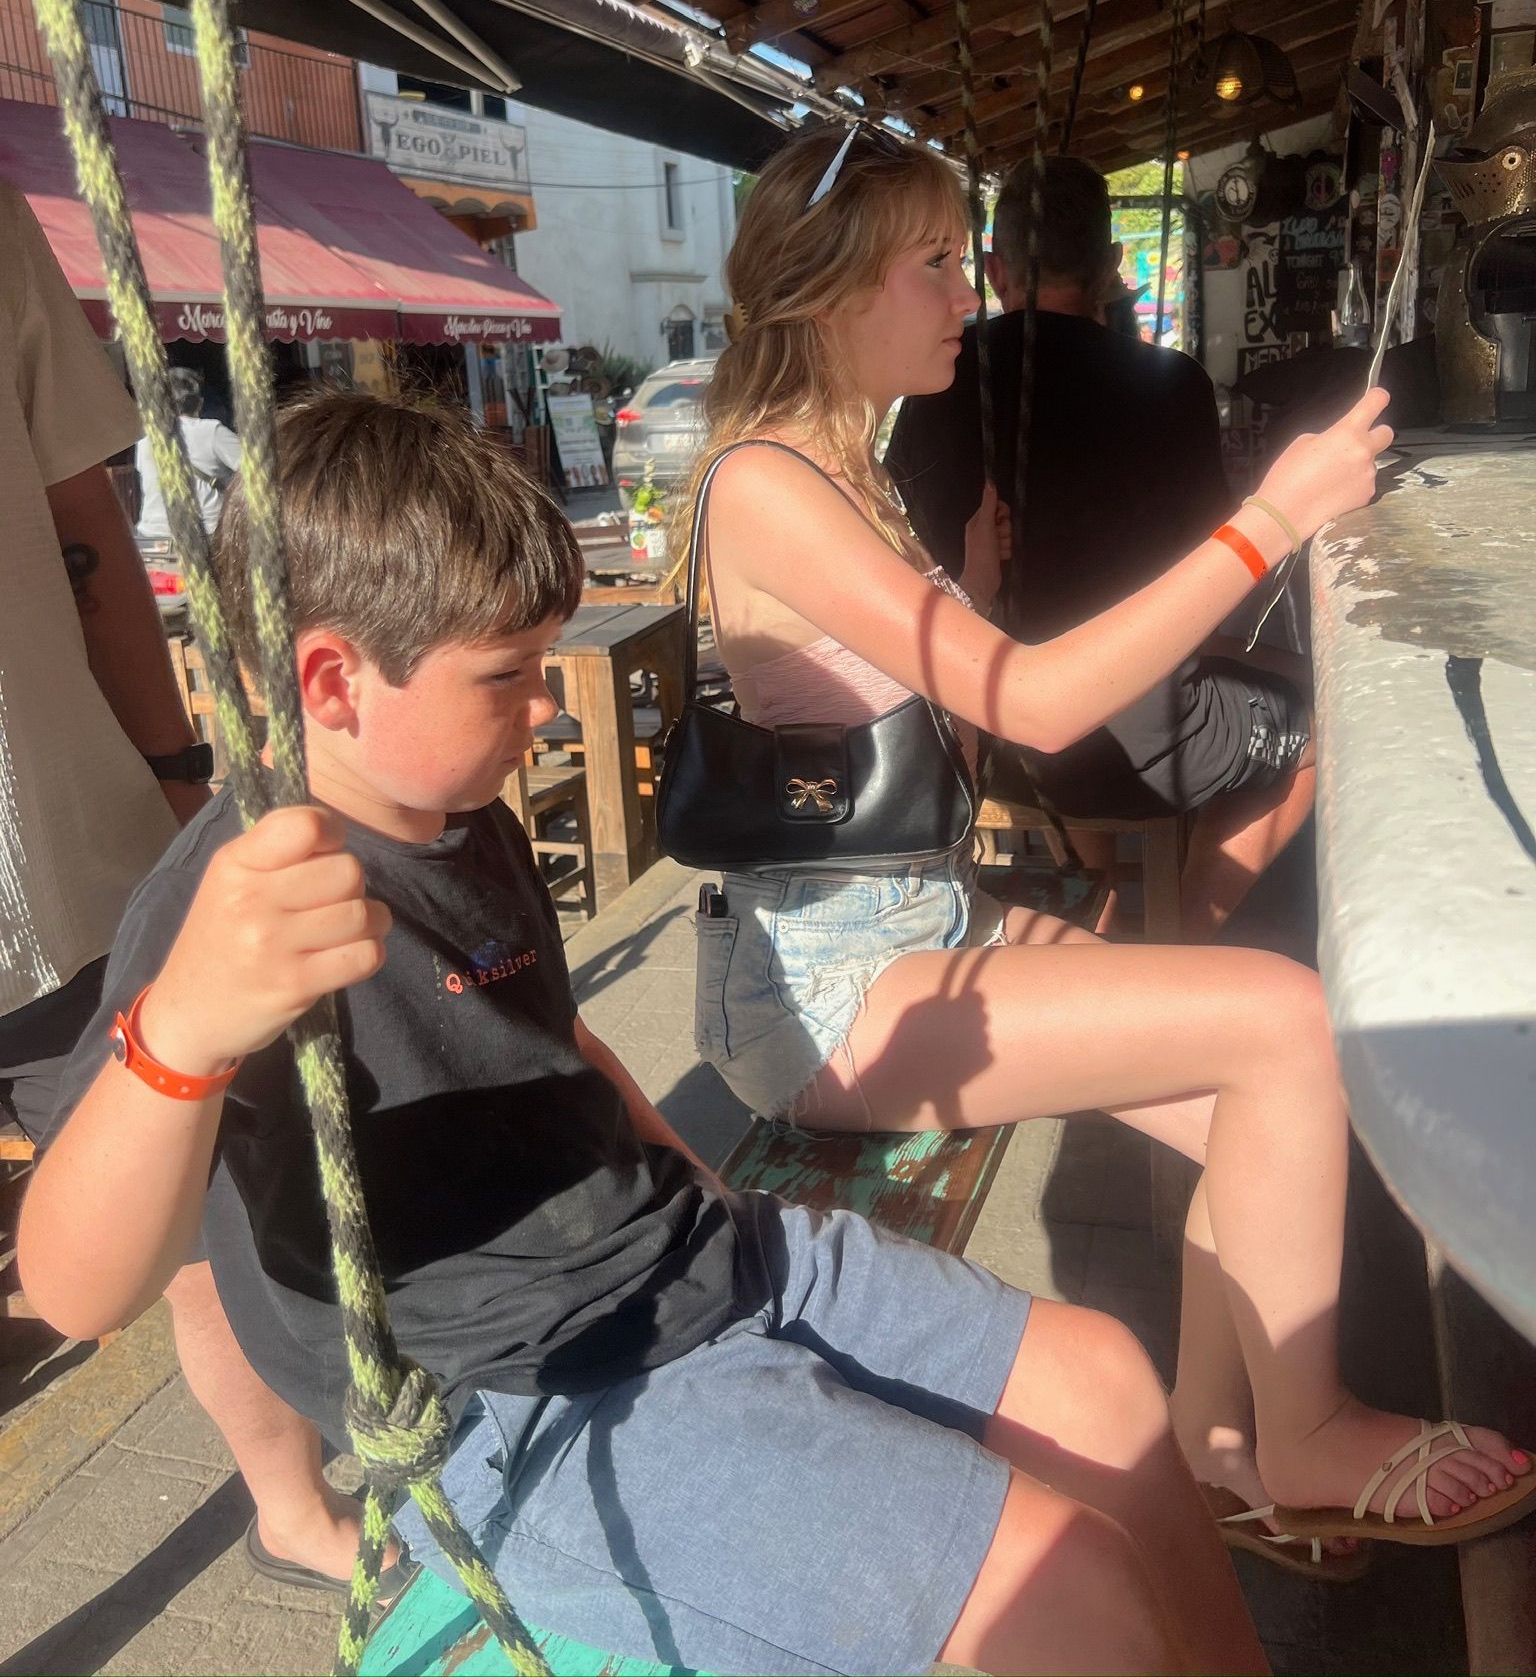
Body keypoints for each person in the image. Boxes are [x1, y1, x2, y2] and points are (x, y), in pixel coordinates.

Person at [24, 392, 1270, 1677]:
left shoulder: (461, 810)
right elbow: (75, 1284)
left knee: (1115, 1389)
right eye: (510, 677)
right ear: (330, 682)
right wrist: (180, 1033)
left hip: (693, 1257)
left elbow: (562, 1048)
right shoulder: (226, 906)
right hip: (537, 1397)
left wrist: (699, 1178)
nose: (550, 716)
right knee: (1073, 1598)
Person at [673, 127, 1536, 1563]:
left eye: (969, 260)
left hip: (915, 933)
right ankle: (1306, 1435)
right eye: (937, 265)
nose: (969, 294)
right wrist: (1272, 520)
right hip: (822, 989)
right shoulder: (771, 481)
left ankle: (1216, 1449)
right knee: (1284, 1022)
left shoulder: (844, 463)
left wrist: (981, 584)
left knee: (1255, 1104)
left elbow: (936, 676)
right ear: (831, 291)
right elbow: (1033, 697)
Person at [0, 185, 399, 1602]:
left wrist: (181, 777)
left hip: (46, 857)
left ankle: (284, 1505)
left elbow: (78, 518)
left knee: (191, 1210)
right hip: (56, 847)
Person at [886, 156, 1314, 938]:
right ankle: (1182, 942)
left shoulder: (936, 388)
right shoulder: (1173, 385)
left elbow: (915, 558)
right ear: (1113, 270)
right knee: (1327, 717)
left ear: (995, 269)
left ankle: (1110, 893)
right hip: (1134, 742)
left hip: (976, 736)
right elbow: (1211, 581)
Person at [136, 365, 241, 543]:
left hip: (151, 536)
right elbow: (255, 471)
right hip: (204, 537)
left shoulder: (145, 439)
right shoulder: (211, 431)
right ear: (199, 402)